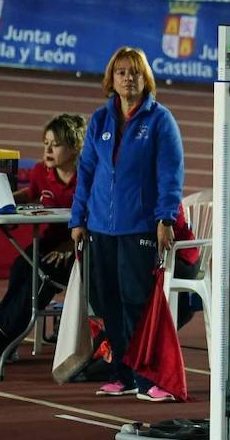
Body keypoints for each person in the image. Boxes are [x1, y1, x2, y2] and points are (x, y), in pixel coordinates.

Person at [69, 47, 185, 402]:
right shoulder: (100, 120)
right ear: (111, 79)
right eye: (120, 72)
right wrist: (78, 218)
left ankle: (147, 378)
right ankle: (121, 374)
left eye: (134, 72)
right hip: (101, 227)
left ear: (144, 77)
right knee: (108, 303)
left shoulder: (160, 120)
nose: (127, 78)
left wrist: (165, 219)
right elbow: (86, 172)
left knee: (137, 301)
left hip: (139, 228)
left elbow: (170, 174)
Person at [0, 114, 84, 365]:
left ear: (75, 148)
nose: (47, 149)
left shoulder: (89, 177)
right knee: (22, 265)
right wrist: (2, 201)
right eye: (45, 143)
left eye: (55, 144)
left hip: (81, 248)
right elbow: (31, 193)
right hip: (50, 243)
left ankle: (0, 342)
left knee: (42, 272)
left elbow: (99, 217)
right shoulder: (41, 172)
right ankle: (6, 338)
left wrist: (70, 245)